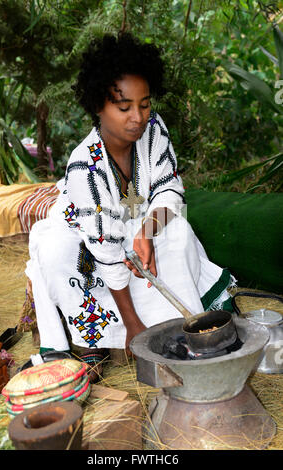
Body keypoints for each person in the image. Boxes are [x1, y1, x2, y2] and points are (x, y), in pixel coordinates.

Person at [25, 33, 236, 382]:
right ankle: (94, 340)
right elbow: (106, 249)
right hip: (83, 230)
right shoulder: (84, 167)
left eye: (144, 104)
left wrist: (148, 231)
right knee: (59, 253)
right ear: (98, 107)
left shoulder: (152, 130)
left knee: (178, 231)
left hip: (133, 219)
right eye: (124, 108)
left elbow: (169, 188)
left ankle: (180, 325)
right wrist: (133, 325)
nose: (138, 117)